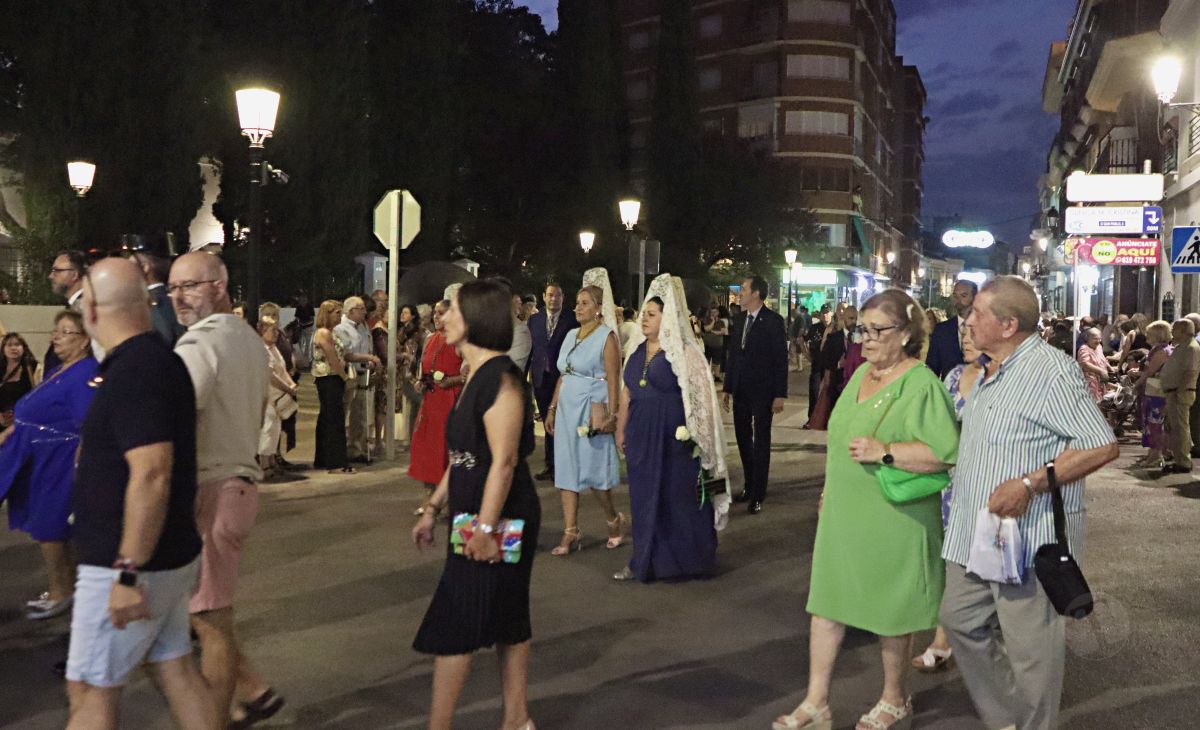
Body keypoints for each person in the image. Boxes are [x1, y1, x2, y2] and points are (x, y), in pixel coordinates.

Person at [940, 276, 1117, 730]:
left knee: (1030, 653)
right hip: (974, 534)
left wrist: (1030, 483)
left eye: (978, 313)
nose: (968, 320)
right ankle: (1008, 717)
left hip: (1026, 538)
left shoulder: (1049, 370)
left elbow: (1100, 445)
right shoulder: (986, 368)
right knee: (958, 620)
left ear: (1007, 324)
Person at [776, 290, 957, 730]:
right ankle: (817, 700)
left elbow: (945, 452)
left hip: (894, 513)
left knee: (889, 610)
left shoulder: (921, 384)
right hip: (846, 508)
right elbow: (840, 440)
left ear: (908, 333)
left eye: (879, 330)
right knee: (827, 601)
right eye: (863, 328)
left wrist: (886, 452)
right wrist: (828, 489)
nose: (867, 338)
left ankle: (895, 698)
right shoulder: (859, 376)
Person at [65, 257, 215, 730]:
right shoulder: (155, 362)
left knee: (90, 690)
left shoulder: (136, 370)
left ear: (90, 310)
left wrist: (127, 571)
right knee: (177, 671)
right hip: (166, 557)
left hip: (128, 563)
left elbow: (152, 472)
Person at [410, 280, 540, 730]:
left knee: (456, 620)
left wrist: (484, 530)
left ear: (476, 319)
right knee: (506, 615)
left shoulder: (502, 379)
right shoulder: (472, 378)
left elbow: (503, 462)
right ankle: (517, 718)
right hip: (472, 514)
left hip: (500, 516)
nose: (442, 316)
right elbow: (464, 457)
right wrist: (432, 508)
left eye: (452, 310)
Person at [168, 251, 283, 728]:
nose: (177, 298)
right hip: (238, 482)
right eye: (172, 289)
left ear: (218, 285)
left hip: (211, 486)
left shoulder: (200, 344)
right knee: (202, 613)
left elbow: (173, 413)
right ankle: (253, 689)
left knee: (208, 620)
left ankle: (214, 718)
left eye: (189, 286)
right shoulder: (248, 340)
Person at [614, 277, 729, 582]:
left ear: (668, 319)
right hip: (642, 437)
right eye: (643, 314)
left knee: (675, 500)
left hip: (673, 441)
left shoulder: (685, 354)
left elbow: (701, 401)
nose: (644, 319)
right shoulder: (636, 350)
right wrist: (621, 429)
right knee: (642, 499)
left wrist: (701, 442)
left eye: (651, 314)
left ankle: (683, 561)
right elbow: (627, 392)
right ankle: (643, 559)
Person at [0, 313, 96, 620]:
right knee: (46, 525)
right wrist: (14, 430)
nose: (57, 337)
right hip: (38, 457)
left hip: (60, 460)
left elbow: (88, 423)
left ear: (85, 339)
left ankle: (61, 591)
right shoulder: (58, 369)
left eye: (66, 332)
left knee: (49, 526)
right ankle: (64, 586)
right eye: (56, 331)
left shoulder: (85, 372)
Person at [912, 327, 993, 673]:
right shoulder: (955, 375)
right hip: (950, 482)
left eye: (976, 333)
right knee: (951, 560)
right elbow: (938, 425)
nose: (969, 340)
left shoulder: (1002, 379)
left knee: (988, 562)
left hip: (988, 482)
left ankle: (988, 636)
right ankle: (942, 640)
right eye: (965, 335)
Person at [543, 281, 624, 555]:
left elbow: (613, 378)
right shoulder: (570, 335)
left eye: (585, 303)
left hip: (591, 406)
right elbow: (564, 374)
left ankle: (613, 517)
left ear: (599, 309)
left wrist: (613, 414)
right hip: (567, 407)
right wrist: (552, 407)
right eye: (577, 303)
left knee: (593, 469)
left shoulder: (607, 337)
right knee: (566, 468)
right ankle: (570, 531)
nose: (578, 308)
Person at [723, 275, 788, 514]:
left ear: (756, 294)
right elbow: (733, 356)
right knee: (742, 437)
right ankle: (749, 483)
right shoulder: (739, 320)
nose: (740, 293)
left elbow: (780, 360)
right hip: (741, 389)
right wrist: (728, 388)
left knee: (761, 440)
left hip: (763, 391)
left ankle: (759, 492)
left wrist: (779, 394)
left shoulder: (773, 321)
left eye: (743, 289)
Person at [409, 300, 467, 506]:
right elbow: (425, 368)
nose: (436, 316)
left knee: (446, 449)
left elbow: (468, 374)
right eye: (435, 312)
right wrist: (421, 381)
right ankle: (429, 498)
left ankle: (451, 500)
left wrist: (453, 380)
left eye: (441, 312)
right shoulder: (430, 339)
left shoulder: (461, 341)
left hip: (450, 400)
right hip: (431, 400)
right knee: (426, 449)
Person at [527, 283, 578, 481]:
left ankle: (565, 465)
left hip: (562, 380)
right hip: (540, 378)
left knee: (563, 422)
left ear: (562, 297)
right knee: (548, 425)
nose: (553, 299)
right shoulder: (535, 320)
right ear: (544, 296)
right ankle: (551, 465)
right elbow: (532, 350)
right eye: (550, 295)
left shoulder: (572, 320)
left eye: (557, 295)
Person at [335, 296, 381, 463]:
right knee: (347, 412)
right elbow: (346, 353)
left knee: (361, 413)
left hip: (364, 373)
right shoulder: (341, 328)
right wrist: (368, 357)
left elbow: (366, 346)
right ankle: (345, 448)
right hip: (350, 374)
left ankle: (357, 448)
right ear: (351, 311)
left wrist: (369, 361)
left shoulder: (363, 327)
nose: (365, 312)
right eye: (361, 309)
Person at [119, 232, 185, 347]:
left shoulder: (151, 306)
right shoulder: (174, 298)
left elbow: (162, 343)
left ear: (145, 268)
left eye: (130, 265)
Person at [312, 300, 355, 473]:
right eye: (337, 312)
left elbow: (343, 354)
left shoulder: (332, 332)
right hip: (329, 378)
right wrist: (345, 377)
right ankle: (335, 462)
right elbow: (332, 359)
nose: (340, 315)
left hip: (332, 378)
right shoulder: (323, 333)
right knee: (334, 419)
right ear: (327, 314)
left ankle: (323, 458)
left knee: (327, 417)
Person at [1159, 318, 1200, 476]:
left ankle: (1183, 462)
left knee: (1181, 428)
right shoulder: (1183, 346)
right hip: (1175, 391)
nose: (1171, 331)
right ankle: (1179, 458)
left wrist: (1179, 392)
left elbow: (1190, 372)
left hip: (1180, 393)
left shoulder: (1191, 348)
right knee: (1176, 428)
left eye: (1174, 328)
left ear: (1183, 330)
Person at [259, 317, 299, 478]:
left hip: (278, 397)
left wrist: (291, 384)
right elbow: (271, 376)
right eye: (272, 330)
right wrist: (288, 389)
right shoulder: (262, 350)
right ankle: (264, 465)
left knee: (275, 430)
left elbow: (282, 370)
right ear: (262, 331)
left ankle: (271, 461)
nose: (276, 333)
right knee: (267, 430)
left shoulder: (273, 348)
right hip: (268, 397)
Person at [1131, 320, 1172, 470]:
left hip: (1156, 393)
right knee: (1152, 423)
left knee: (1154, 424)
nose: (1146, 336)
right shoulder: (1160, 349)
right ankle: (1152, 454)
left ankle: (1155, 455)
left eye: (1149, 333)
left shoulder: (1161, 351)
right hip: (1154, 391)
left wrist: (1137, 382)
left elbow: (1150, 372)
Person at [43, 250, 88, 372]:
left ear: (74, 275)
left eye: (57, 271)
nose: (51, 276)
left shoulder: (85, 308)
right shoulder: (75, 306)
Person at [925, 279, 977, 379]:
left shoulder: (984, 328)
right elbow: (932, 369)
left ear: (974, 298)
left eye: (963, 295)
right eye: (955, 296)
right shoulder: (942, 330)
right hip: (948, 391)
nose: (958, 300)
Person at [1, 332, 39, 433]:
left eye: (17, 344)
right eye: (9, 345)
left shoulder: (33, 368)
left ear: (24, 348)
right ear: (3, 349)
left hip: (24, 421)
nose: (13, 348)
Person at [397, 304, 424, 445]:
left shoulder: (416, 332)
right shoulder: (402, 331)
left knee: (417, 403)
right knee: (416, 403)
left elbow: (414, 353)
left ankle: (414, 437)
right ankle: (413, 437)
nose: (402, 315)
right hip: (405, 371)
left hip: (411, 372)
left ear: (413, 315)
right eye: (401, 312)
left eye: (405, 313)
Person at [804, 305, 831, 422]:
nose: (825, 315)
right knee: (814, 391)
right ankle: (812, 418)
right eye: (823, 313)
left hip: (831, 366)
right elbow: (804, 340)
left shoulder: (835, 328)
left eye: (827, 313)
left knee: (830, 392)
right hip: (817, 364)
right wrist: (807, 356)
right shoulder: (814, 328)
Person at [1076, 327, 1113, 404]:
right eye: (1095, 339)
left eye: (1099, 339)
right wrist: (1101, 371)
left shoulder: (1099, 347)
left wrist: (1109, 367)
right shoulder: (1084, 348)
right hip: (1089, 382)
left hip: (1101, 381)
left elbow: (1102, 359)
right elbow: (1085, 364)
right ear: (1088, 338)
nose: (1098, 341)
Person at [508, 292, 532, 373]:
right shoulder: (494, 325)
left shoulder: (521, 330)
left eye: (520, 303)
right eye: (516, 303)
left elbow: (513, 365)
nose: (519, 306)